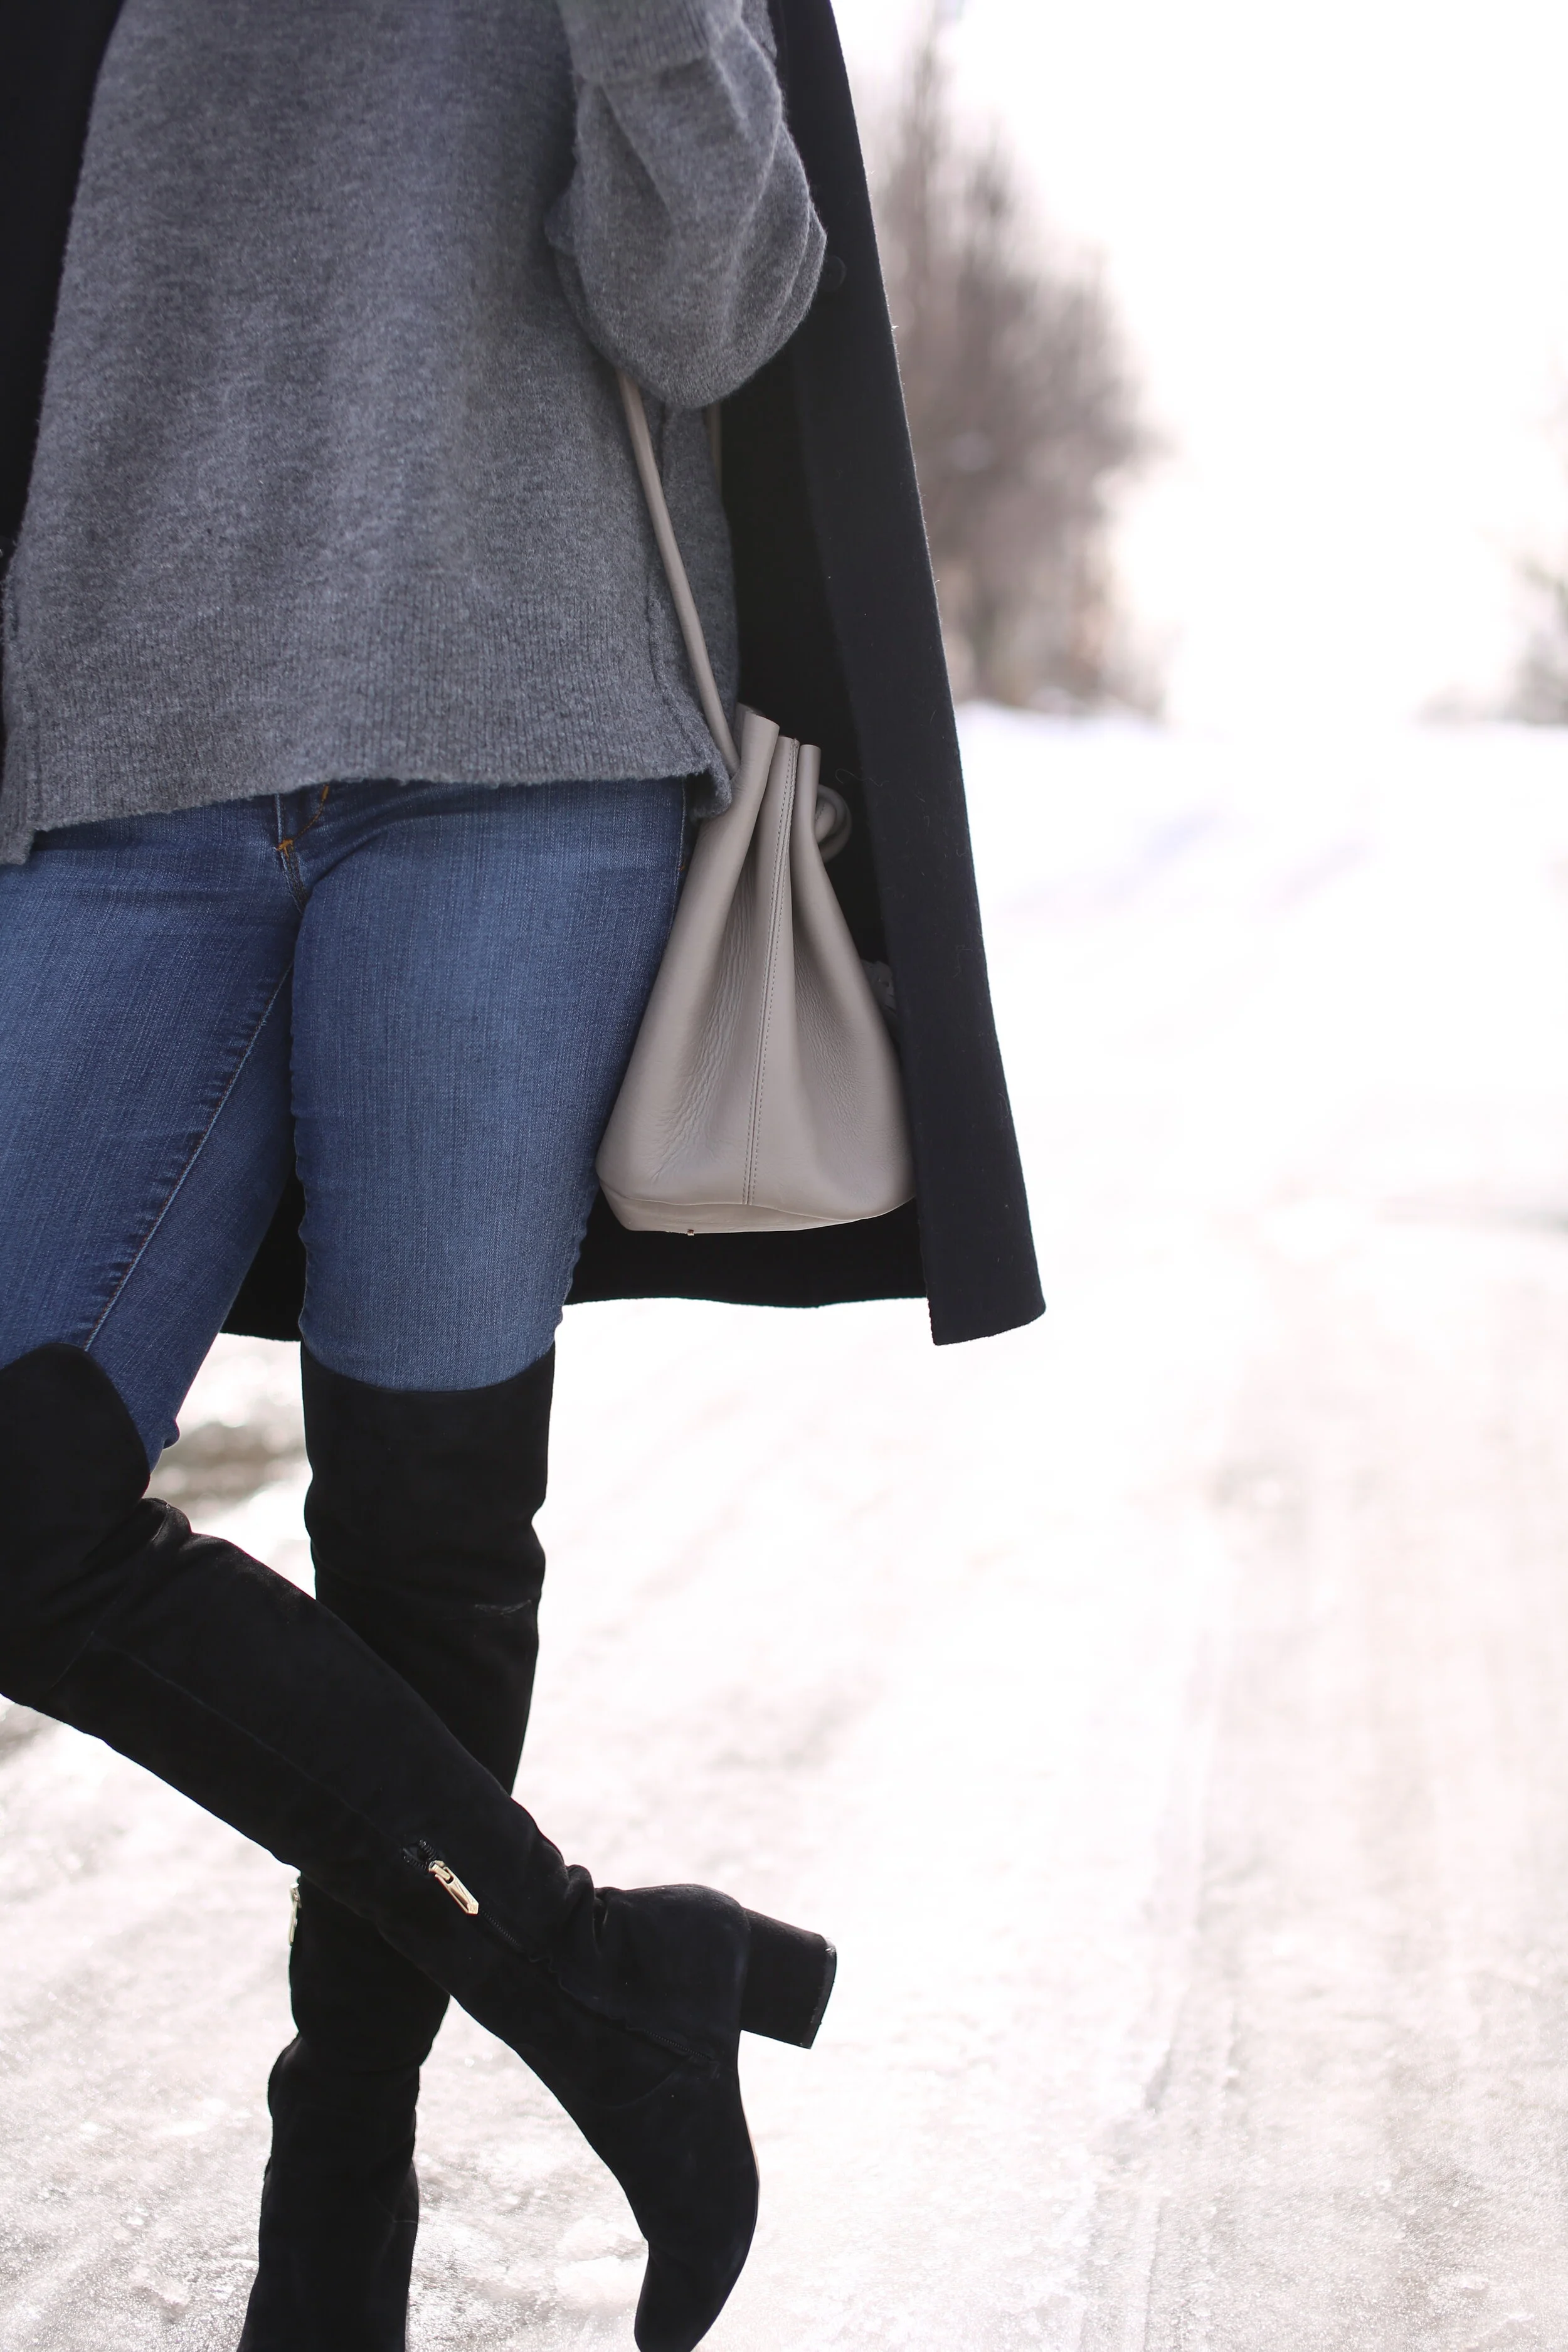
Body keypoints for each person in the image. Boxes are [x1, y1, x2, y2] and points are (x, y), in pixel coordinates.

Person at [0, 2, 1043, 2348]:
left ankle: (335, 2218)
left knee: (425, 1525)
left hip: (522, 768)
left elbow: (710, 310)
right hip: (118, 774)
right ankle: (597, 1975)